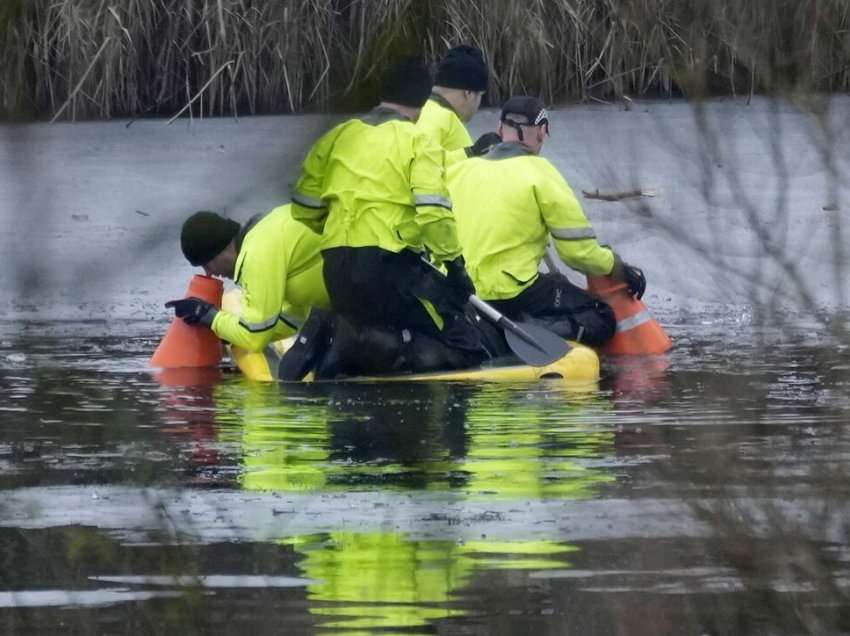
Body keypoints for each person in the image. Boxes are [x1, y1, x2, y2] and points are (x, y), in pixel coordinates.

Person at [281, 56, 487, 380]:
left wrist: (335, 229)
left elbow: (303, 205)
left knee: (374, 326)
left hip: (335, 266)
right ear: (423, 99)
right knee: (466, 344)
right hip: (387, 268)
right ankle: (376, 344)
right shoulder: (419, 141)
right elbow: (434, 212)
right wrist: (455, 267)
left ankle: (342, 332)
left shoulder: (338, 136)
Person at [447, 96, 646, 347]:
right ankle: (523, 332)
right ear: (541, 132)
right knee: (600, 316)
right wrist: (617, 267)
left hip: (460, 290)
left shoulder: (458, 171)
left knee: (554, 284)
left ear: (499, 129)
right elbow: (578, 253)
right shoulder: (541, 173)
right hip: (511, 290)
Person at [165, 204, 329, 352]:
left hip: (352, 290)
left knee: (330, 368)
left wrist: (209, 316)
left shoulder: (255, 255)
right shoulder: (262, 235)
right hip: (348, 284)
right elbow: (293, 317)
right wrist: (228, 331)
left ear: (220, 250)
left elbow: (254, 337)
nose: (209, 273)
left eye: (207, 264)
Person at [417, 45, 501, 165]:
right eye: (480, 96)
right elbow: (420, 165)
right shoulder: (443, 120)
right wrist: (471, 153)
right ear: (469, 93)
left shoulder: (413, 110)